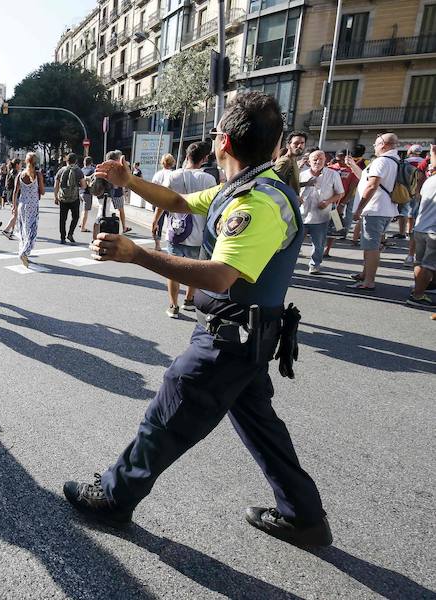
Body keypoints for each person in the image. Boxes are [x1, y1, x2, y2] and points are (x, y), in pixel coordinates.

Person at [64, 91, 332, 548]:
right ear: (275, 142)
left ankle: (114, 496)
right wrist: (130, 181)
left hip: (228, 338)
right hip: (247, 336)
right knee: (261, 426)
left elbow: (220, 276)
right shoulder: (245, 187)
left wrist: (138, 255)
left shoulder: (256, 204)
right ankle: (303, 516)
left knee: (166, 414)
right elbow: (178, 202)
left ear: (223, 140)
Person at [150, 142, 217, 317]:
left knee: (172, 270)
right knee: (194, 269)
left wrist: (155, 221)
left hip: (175, 231)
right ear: (204, 159)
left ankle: (173, 306)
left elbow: (162, 201)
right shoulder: (209, 179)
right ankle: (189, 300)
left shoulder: (173, 176)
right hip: (199, 233)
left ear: (186, 156)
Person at [348, 133, 400, 291]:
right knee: (371, 245)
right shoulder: (393, 161)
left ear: (384, 145)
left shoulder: (381, 161)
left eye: (376, 144)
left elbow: (372, 186)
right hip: (384, 209)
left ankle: (368, 281)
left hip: (374, 209)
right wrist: (352, 165)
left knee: (371, 247)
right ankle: (365, 274)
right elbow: (365, 178)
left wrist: (359, 208)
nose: (374, 147)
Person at [299, 150, 344, 274]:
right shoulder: (302, 174)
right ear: (309, 161)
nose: (317, 161)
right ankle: (291, 264)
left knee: (318, 244)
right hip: (302, 215)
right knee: (295, 242)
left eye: (321, 159)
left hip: (321, 216)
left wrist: (328, 201)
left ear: (325, 161)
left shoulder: (333, 174)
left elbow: (340, 193)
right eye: (314, 159)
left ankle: (315, 264)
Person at [407, 144, 436, 308]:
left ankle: (420, 289)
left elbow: (419, 196)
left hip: (421, 227)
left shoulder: (430, 181)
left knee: (420, 262)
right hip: (433, 230)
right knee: (428, 264)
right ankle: (418, 295)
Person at [14, 152, 45, 268]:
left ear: (25, 161)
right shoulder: (38, 174)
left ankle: (24, 254)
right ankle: (24, 253)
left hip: (22, 206)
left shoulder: (20, 175)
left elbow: (15, 192)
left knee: (23, 231)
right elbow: (42, 191)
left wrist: (14, 206)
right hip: (33, 206)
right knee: (32, 232)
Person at [54, 153, 86, 244]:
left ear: (66, 161)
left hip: (63, 198)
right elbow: (83, 186)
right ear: (75, 161)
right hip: (74, 198)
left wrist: (55, 197)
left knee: (62, 218)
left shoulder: (61, 170)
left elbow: (56, 185)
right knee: (75, 217)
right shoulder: (78, 171)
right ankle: (70, 234)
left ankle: (62, 238)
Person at [1, 159, 22, 239]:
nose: (21, 165)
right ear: (17, 164)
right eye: (20, 164)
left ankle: (12, 231)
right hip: (15, 195)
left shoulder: (10, 171)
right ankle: (6, 230)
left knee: (15, 214)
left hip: (10, 195)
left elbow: (7, 184)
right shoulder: (16, 173)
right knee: (15, 215)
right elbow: (17, 186)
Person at [79, 156, 96, 232]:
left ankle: (81, 223)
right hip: (88, 192)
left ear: (84, 162)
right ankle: (83, 227)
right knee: (86, 210)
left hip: (80, 191)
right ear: (91, 162)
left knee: (83, 209)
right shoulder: (92, 170)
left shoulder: (81, 170)